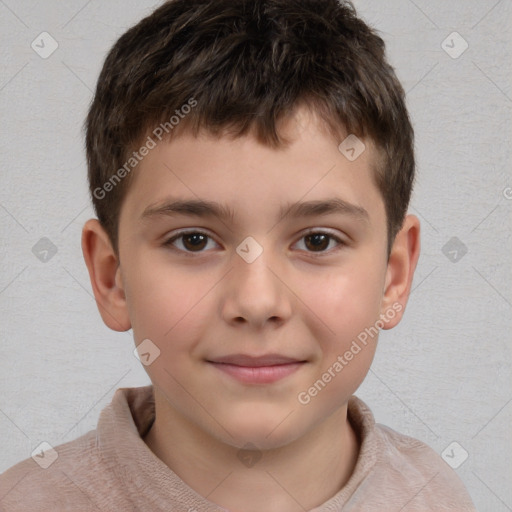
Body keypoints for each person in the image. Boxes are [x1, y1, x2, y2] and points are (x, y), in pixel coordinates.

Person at [0, 0, 477, 510]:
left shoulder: (433, 494)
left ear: (393, 276)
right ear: (111, 276)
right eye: (194, 240)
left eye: (317, 240)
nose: (256, 300)